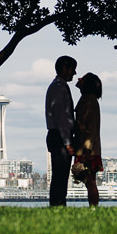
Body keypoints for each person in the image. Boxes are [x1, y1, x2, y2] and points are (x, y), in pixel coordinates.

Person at [45, 55, 77, 206]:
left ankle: (57, 205)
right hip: (60, 137)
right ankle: (58, 205)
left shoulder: (58, 86)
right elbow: (61, 116)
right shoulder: (59, 88)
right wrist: (67, 142)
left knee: (60, 175)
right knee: (60, 176)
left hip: (57, 135)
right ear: (64, 68)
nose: (74, 73)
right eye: (72, 69)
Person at [74, 72, 104, 207]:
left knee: (90, 181)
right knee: (89, 181)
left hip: (88, 150)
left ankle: (93, 207)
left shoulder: (89, 101)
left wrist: (86, 150)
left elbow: (90, 128)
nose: (79, 79)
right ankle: (93, 207)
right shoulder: (88, 100)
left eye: (83, 79)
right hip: (87, 148)